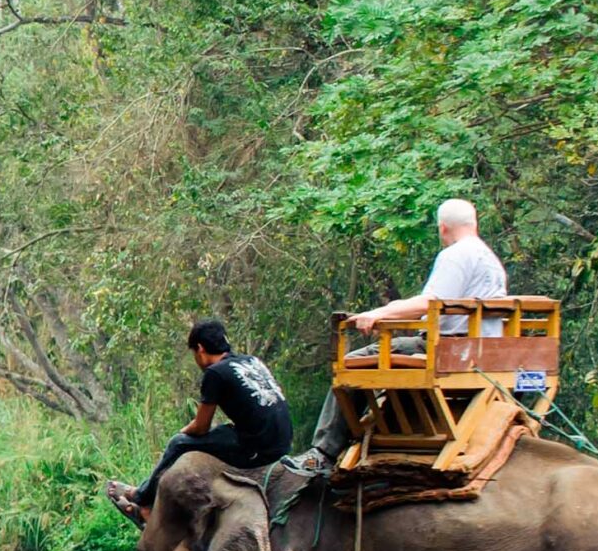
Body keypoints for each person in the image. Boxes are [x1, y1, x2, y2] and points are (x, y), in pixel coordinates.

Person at [298, 197, 509, 466]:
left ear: (442, 228)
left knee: (352, 363)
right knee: (396, 345)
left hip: (450, 351)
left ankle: (324, 451)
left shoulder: (456, 255)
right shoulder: (488, 258)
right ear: (474, 223)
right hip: (483, 351)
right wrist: (393, 309)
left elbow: (429, 303)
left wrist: (379, 314)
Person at [106, 319, 291, 522]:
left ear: (200, 349)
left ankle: (141, 497)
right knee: (222, 432)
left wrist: (183, 430)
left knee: (179, 442)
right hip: (281, 441)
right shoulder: (251, 361)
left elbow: (201, 427)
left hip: (257, 449)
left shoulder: (215, 373)